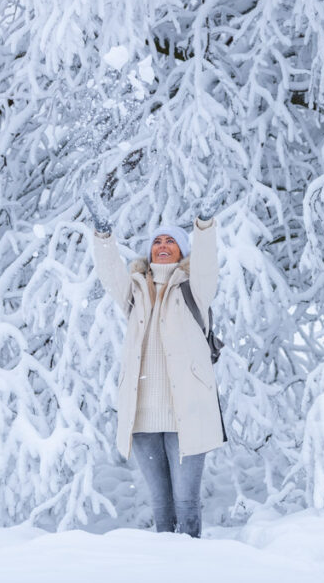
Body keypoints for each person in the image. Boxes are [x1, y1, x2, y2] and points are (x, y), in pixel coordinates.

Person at [84, 194, 224, 538]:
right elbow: (109, 274)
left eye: (170, 241)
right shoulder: (135, 291)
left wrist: (204, 226)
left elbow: (207, 264)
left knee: (186, 504)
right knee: (161, 506)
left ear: (182, 251)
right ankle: (163, 564)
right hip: (143, 417)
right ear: (149, 252)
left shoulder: (195, 288)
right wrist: (103, 234)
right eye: (157, 242)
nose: (163, 246)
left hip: (186, 413)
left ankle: (191, 562)